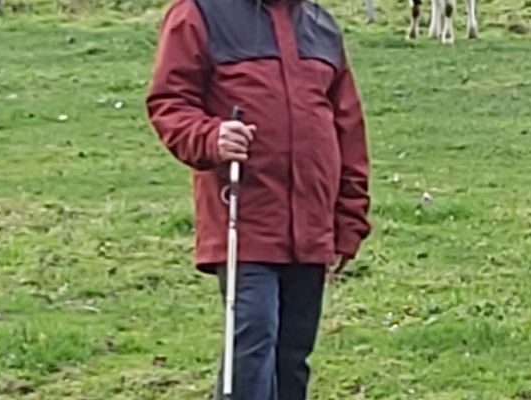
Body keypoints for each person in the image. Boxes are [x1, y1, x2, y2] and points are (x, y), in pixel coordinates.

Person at [144, 0, 372, 397]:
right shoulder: (199, 13)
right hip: (244, 221)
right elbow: (170, 102)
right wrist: (210, 137)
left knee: (292, 357)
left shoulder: (321, 25)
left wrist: (348, 222)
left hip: (313, 225)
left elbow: (348, 131)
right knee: (251, 348)